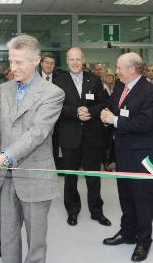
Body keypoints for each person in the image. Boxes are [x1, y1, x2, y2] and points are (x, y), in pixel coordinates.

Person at [0, 34, 65, 263]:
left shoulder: (53, 93)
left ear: (36, 60)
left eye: (19, 62)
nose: (13, 68)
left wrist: (3, 157)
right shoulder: (4, 89)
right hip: (6, 180)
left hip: (36, 178)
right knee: (8, 237)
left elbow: (37, 133)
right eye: (11, 61)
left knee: (36, 244)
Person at [100, 52, 153, 262]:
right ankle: (127, 233)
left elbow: (146, 123)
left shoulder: (149, 92)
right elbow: (111, 106)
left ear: (132, 69)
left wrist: (115, 120)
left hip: (143, 155)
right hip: (123, 152)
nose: (116, 71)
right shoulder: (121, 87)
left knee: (143, 199)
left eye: (119, 68)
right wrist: (104, 115)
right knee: (125, 195)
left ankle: (144, 240)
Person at [53, 47, 111, 227]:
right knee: (70, 177)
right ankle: (72, 211)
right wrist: (75, 113)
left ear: (83, 60)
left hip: (92, 136)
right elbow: (55, 106)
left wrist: (90, 111)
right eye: (72, 59)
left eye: (78, 59)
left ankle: (97, 211)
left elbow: (103, 102)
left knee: (93, 176)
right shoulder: (58, 81)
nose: (75, 62)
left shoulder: (94, 79)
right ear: (67, 61)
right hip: (70, 136)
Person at [39, 52, 62, 171]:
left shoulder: (61, 78)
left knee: (54, 145)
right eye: (46, 62)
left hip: (56, 119)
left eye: (52, 63)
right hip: (37, 119)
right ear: (41, 63)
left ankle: (53, 168)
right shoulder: (33, 77)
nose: (49, 65)